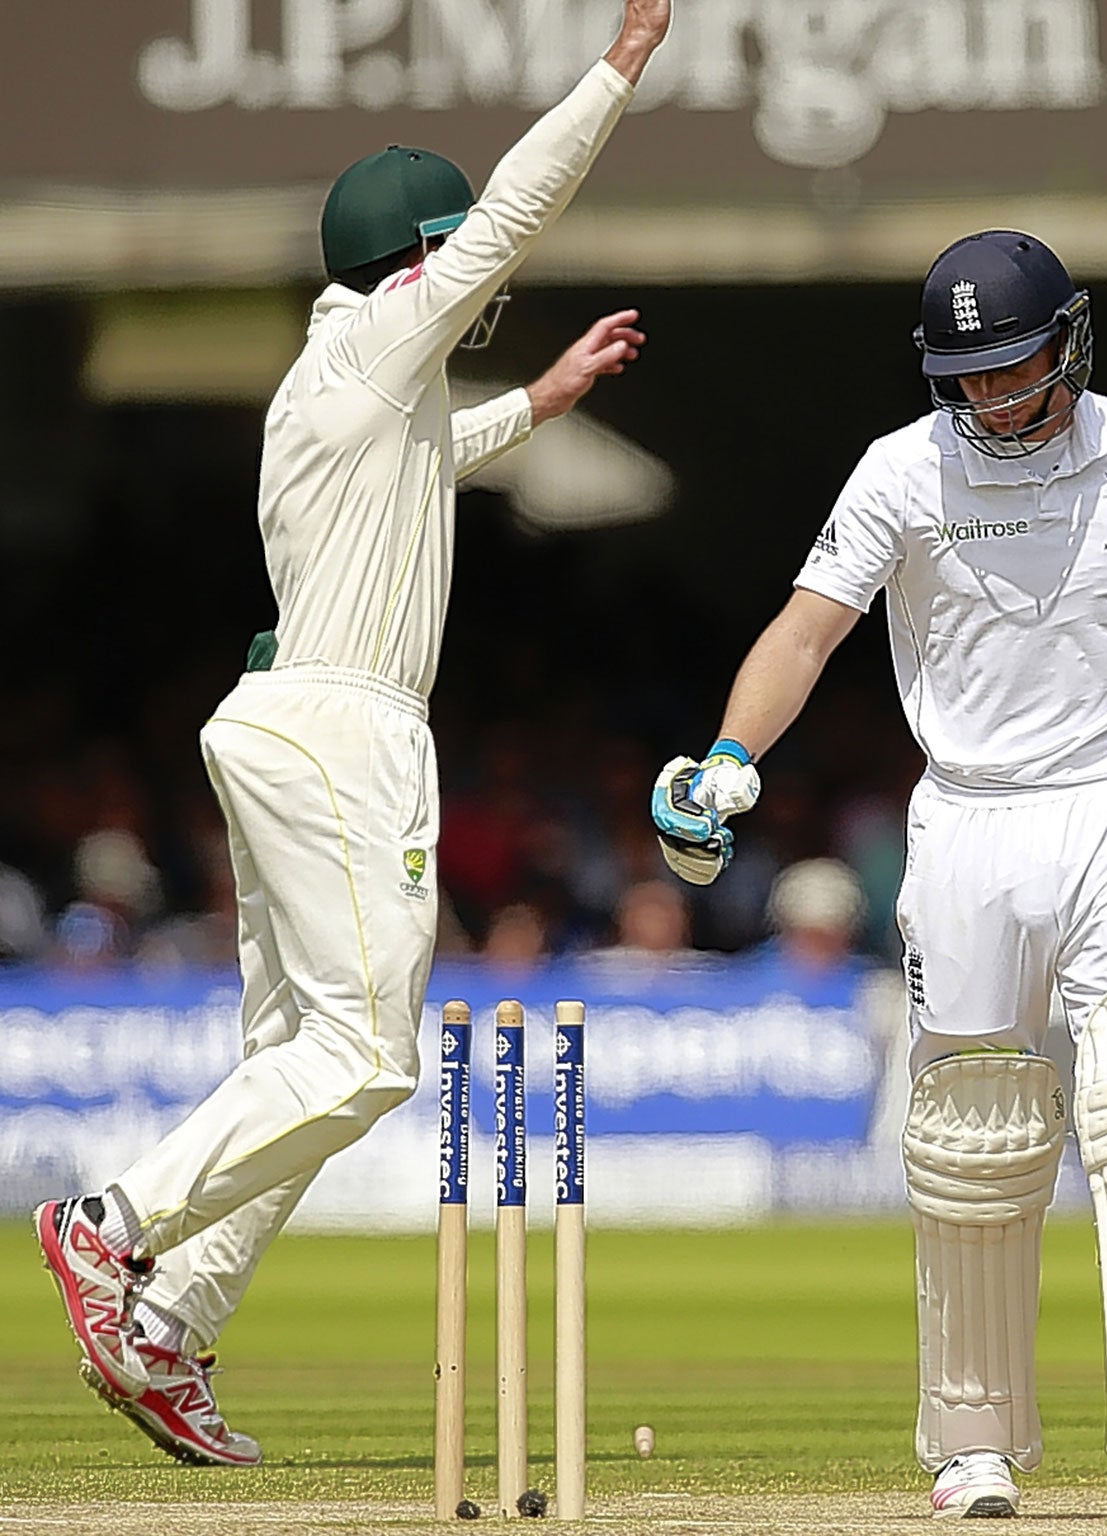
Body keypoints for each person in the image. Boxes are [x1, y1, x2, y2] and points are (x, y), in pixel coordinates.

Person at [32, 0, 673, 1467]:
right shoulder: (388, 338)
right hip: (343, 731)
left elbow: (430, 458)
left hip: (284, 722)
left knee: (297, 1062)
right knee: (369, 1060)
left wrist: (544, 399)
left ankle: (171, 1328)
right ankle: (108, 1228)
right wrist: (617, 66)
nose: (481, 288)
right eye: (454, 263)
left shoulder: (344, 384)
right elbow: (512, 214)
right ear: (417, 260)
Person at [650, 231, 1107, 1520]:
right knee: (974, 1144)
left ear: (1070, 340)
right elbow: (808, 628)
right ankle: (973, 1441)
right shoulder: (902, 472)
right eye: (969, 378)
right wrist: (731, 755)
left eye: (1017, 370)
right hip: (965, 822)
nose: (996, 400)